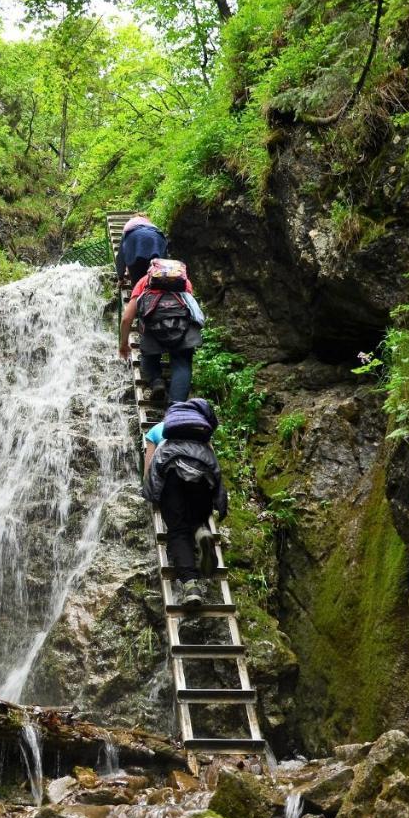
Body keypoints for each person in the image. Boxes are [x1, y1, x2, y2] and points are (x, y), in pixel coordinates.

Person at [142, 399, 228, 607]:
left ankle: (191, 585)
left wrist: (151, 494)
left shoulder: (157, 431)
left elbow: (149, 466)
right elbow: (214, 468)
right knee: (197, 516)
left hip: (171, 473)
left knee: (178, 530)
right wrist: (219, 501)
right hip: (203, 473)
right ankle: (202, 531)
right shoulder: (202, 434)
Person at [118, 259, 204, 403]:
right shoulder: (184, 282)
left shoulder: (144, 281)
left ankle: (156, 382)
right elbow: (191, 308)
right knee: (182, 363)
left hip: (153, 326)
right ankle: (176, 406)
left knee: (148, 356)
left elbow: (127, 318)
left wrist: (123, 343)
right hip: (181, 326)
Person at [114, 214, 168, 287]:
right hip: (157, 237)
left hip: (134, 238)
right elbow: (164, 259)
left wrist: (120, 277)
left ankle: (137, 293)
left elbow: (121, 257)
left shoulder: (129, 227)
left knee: (137, 284)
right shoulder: (150, 225)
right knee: (155, 282)